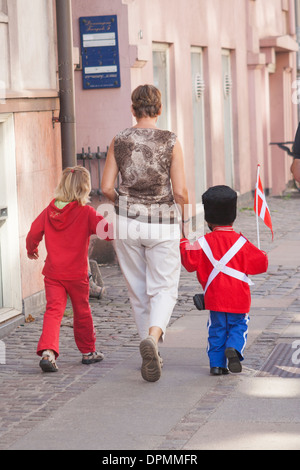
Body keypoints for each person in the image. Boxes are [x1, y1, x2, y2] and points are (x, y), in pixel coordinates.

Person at [101, 84, 189, 382]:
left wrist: (125, 203)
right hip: (162, 221)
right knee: (164, 287)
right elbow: (180, 191)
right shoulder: (171, 141)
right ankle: (153, 337)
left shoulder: (120, 140)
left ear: (133, 109)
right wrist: (184, 215)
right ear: (159, 109)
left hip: (127, 221)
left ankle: (150, 349)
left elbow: (105, 187)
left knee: (138, 291)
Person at [26, 166, 112, 373]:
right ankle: (88, 352)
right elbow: (108, 233)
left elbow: (33, 232)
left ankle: (48, 352)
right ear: (85, 189)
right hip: (76, 274)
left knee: (53, 312)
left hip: (53, 273)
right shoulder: (86, 212)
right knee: (82, 312)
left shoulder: (49, 211)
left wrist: (32, 249)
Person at [180, 185, 268, 376]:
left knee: (216, 330)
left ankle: (217, 365)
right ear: (233, 216)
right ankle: (234, 349)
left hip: (215, 297)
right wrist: (262, 254)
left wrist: (183, 241)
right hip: (239, 297)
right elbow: (261, 265)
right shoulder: (242, 243)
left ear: (207, 218)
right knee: (239, 325)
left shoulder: (202, 243)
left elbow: (189, 263)